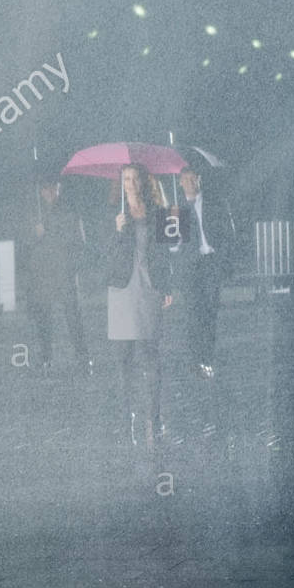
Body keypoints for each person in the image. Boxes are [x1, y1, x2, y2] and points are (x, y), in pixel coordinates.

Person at [107, 163, 174, 448]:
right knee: (123, 356)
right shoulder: (113, 214)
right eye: (126, 178)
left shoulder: (158, 212)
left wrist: (169, 286)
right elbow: (103, 254)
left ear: (142, 182)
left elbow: (170, 250)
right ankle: (125, 414)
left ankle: (154, 413)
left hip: (149, 287)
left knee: (151, 353)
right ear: (120, 182)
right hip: (122, 289)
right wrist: (117, 230)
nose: (131, 183)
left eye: (135, 178)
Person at [26, 177, 88, 369]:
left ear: (59, 188)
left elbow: (79, 242)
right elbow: (26, 246)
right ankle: (46, 356)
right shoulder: (35, 214)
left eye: (53, 187)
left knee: (72, 315)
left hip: (64, 270)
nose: (49, 192)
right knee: (43, 316)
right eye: (45, 188)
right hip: (43, 273)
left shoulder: (70, 211)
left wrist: (72, 267)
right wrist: (35, 234)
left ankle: (82, 356)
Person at [173, 167, 228, 378]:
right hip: (190, 266)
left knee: (210, 312)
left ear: (199, 179)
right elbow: (170, 247)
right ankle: (195, 358)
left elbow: (225, 234)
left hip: (210, 262)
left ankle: (207, 357)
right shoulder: (175, 209)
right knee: (192, 313)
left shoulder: (214, 204)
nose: (190, 182)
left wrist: (222, 260)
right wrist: (176, 227)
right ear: (179, 182)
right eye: (186, 179)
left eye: (194, 178)